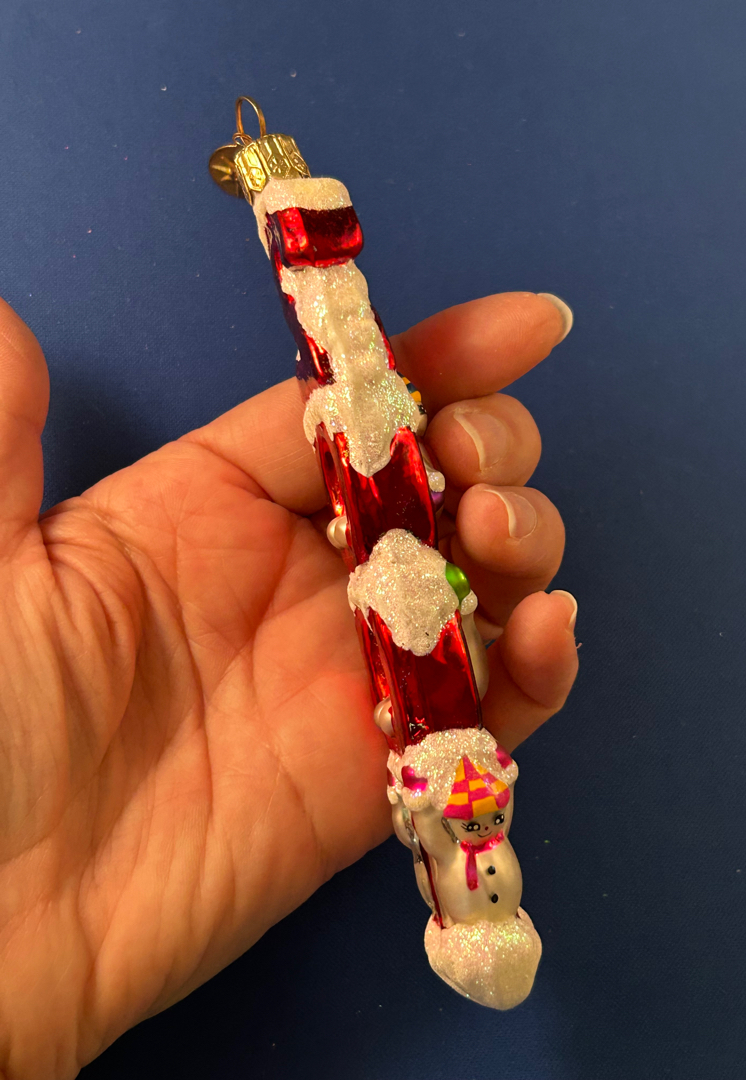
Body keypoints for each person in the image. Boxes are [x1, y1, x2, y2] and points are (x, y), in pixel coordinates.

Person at [0, 289, 578, 1077]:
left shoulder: (448, 800)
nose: (486, 877)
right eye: (494, 894)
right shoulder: (445, 796)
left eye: (482, 898)